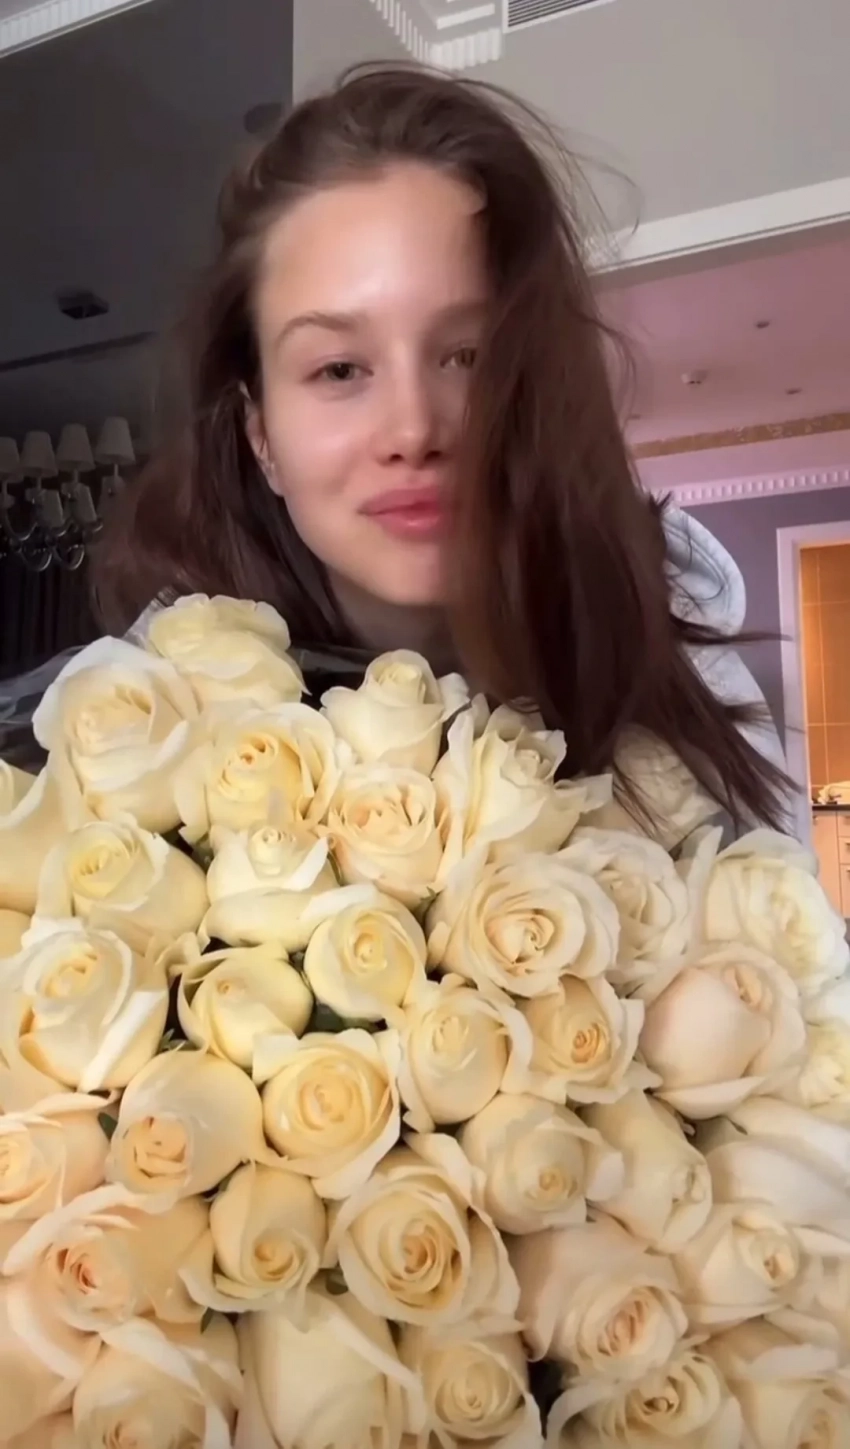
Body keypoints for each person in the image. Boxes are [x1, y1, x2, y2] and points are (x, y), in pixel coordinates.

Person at [94, 63, 788, 834]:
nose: (414, 431)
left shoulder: (682, 686)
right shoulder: (145, 735)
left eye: (469, 357)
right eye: (340, 369)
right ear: (262, 437)